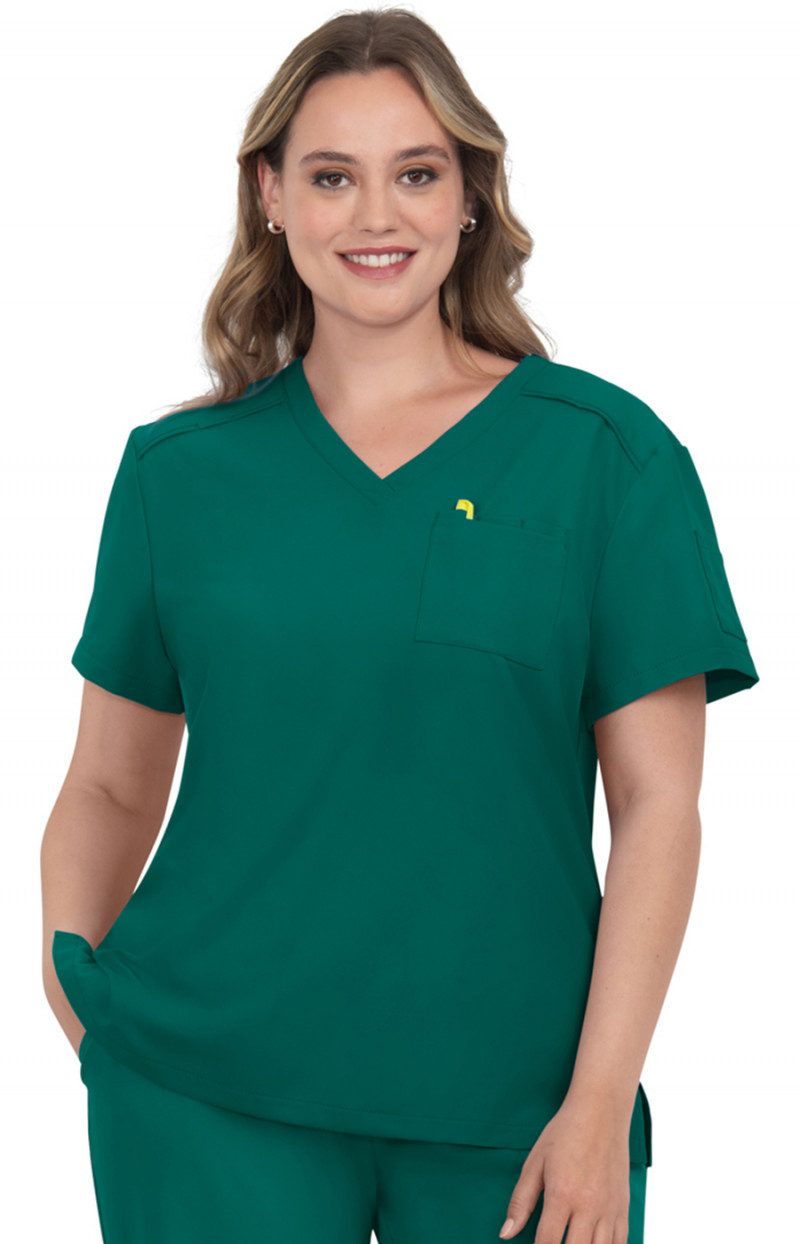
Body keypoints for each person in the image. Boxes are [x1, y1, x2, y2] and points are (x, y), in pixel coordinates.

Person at [41, 8, 760, 1244]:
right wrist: (81, 993)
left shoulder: (606, 459)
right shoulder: (176, 476)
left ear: (468, 196)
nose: (376, 215)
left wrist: (598, 1102)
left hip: (519, 1109)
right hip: (208, 1093)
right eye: (332, 176)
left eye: (416, 173)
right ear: (271, 195)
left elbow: (657, 807)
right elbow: (109, 782)